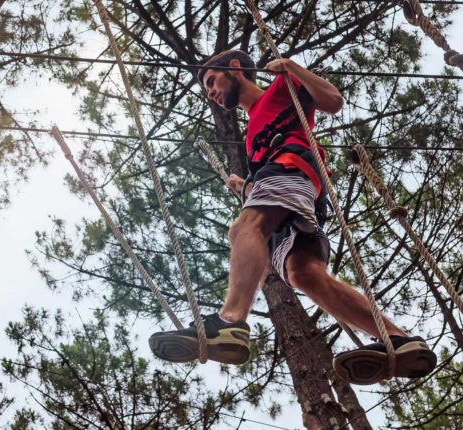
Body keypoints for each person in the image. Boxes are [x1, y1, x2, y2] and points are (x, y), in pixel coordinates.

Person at [149, 50, 436, 385]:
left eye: (212, 81)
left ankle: (230, 321)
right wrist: (247, 187)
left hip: (291, 169)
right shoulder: (253, 126)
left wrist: (291, 67)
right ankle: (399, 338)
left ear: (235, 69)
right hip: (299, 187)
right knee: (303, 274)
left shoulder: (279, 89)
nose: (210, 92)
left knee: (246, 226)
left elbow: (331, 101)